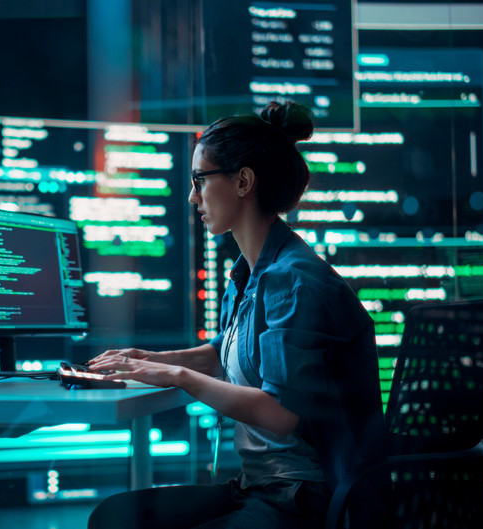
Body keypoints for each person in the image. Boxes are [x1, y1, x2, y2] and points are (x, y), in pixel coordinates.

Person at [86, 101, 387, 529]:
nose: (193, 196)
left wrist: (178, 377)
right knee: (114, 518)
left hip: (303, 499)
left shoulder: (294, 280)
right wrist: (149, 360)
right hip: (260, 487)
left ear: (243, 181)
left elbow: (280, 414)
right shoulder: (252, 273)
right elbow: (222, 352)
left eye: (199, 180)